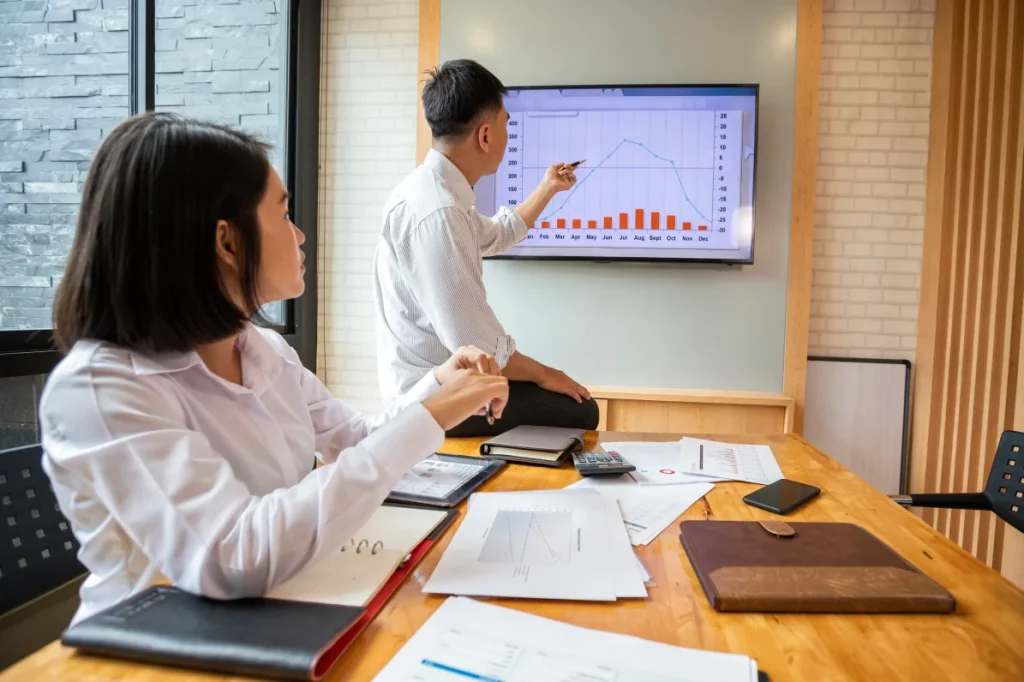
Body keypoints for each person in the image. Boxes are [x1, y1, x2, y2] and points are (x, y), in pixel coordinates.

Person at [39, 112, 509, 626]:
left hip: (269, 615)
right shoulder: (102, 388)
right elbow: (232, 555)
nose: (301, 234)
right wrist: (429, 417)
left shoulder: (261, 349)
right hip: (150, 645)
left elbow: (356, 439)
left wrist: (436, 386)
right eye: (284, 216)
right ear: (227, 242)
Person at [373, 59, 600, 437]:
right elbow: (479, 348)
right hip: (431, 399)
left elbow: (496, 235)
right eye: (506, 124)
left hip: (441, 382)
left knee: (561, 401)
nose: (508, 135)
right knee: (582, 410)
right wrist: (546, 374)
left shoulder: (433, 191)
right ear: (485, 136)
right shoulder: (439, 212)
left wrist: (547, 188)